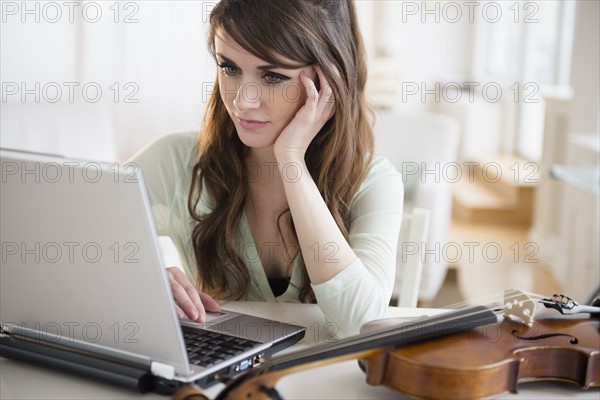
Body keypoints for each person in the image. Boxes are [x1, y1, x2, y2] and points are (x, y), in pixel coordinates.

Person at [131, 0, 403, 337]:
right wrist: (146, 265)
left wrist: (291, 160)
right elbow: (67, 236)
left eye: (273, 76)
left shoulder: (373, 182)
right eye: (229, 68)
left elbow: (360, 324)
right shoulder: (175, 160)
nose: (242, 100)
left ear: (328, 80)